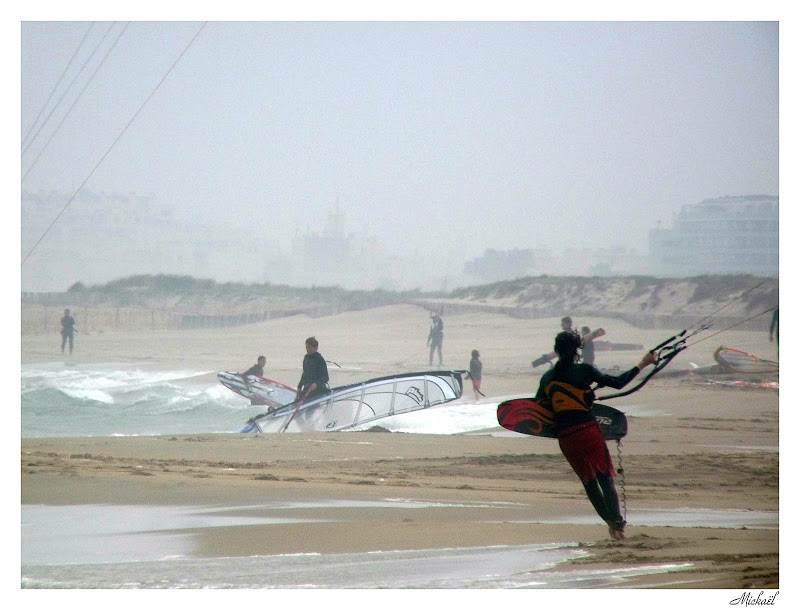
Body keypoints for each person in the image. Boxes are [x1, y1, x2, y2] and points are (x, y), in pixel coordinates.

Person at [535, 330, 656, 541]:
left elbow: (539, 407)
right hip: (588, 431)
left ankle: (610, 524)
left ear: (556, 350)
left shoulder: (547, 378)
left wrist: (573, 398)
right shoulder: (584, 370)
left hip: (567, 438)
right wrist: (643, 363)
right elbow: (619, 383)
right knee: (604, 478)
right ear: (577, 350)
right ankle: (617, 526)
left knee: (589, 482)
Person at [298, 336, 329, 402]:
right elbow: (304, 373)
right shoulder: (306, 358)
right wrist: (299, 386)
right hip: (307, 388)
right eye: (306, 347)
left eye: (309, 347)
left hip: (318, 390)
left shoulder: (320, 360)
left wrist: (316, 384)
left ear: (316, 348)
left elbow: (326, 377)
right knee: (298, 401)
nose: (307, 349)